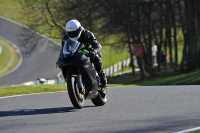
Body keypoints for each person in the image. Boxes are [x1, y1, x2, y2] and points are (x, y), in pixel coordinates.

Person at [61, 19, 107, 89]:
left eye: (75, 33)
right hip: (75, 53)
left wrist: (94, 51)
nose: (73, 35)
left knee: (97, 57)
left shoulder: (87, 34)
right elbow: (63, 49)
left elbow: (97, 45)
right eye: (70, 33)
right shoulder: (65, 38)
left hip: (88, 52)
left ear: (79, 29)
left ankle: (102, 78)